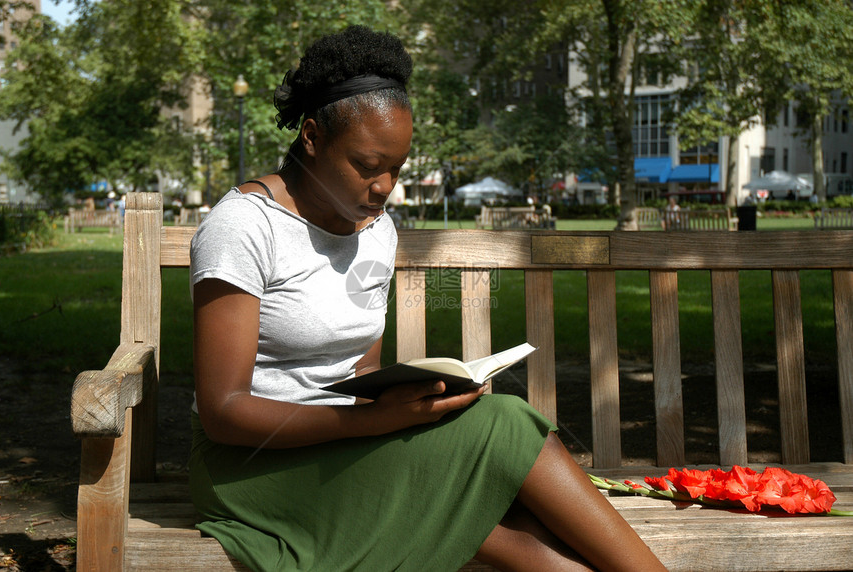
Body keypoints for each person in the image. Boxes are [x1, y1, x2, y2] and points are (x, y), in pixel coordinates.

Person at [188, 25, 666, 572]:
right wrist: (374, 425)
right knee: (507, 424)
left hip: (344, 445)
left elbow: (358, 371)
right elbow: (224, 412)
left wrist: (414, 402)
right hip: (249, 469)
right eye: (368, 166)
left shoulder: (375, 229)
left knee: (510, 528)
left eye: (397, 168)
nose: (385, 186)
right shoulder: (244, 227)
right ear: (313, 137)